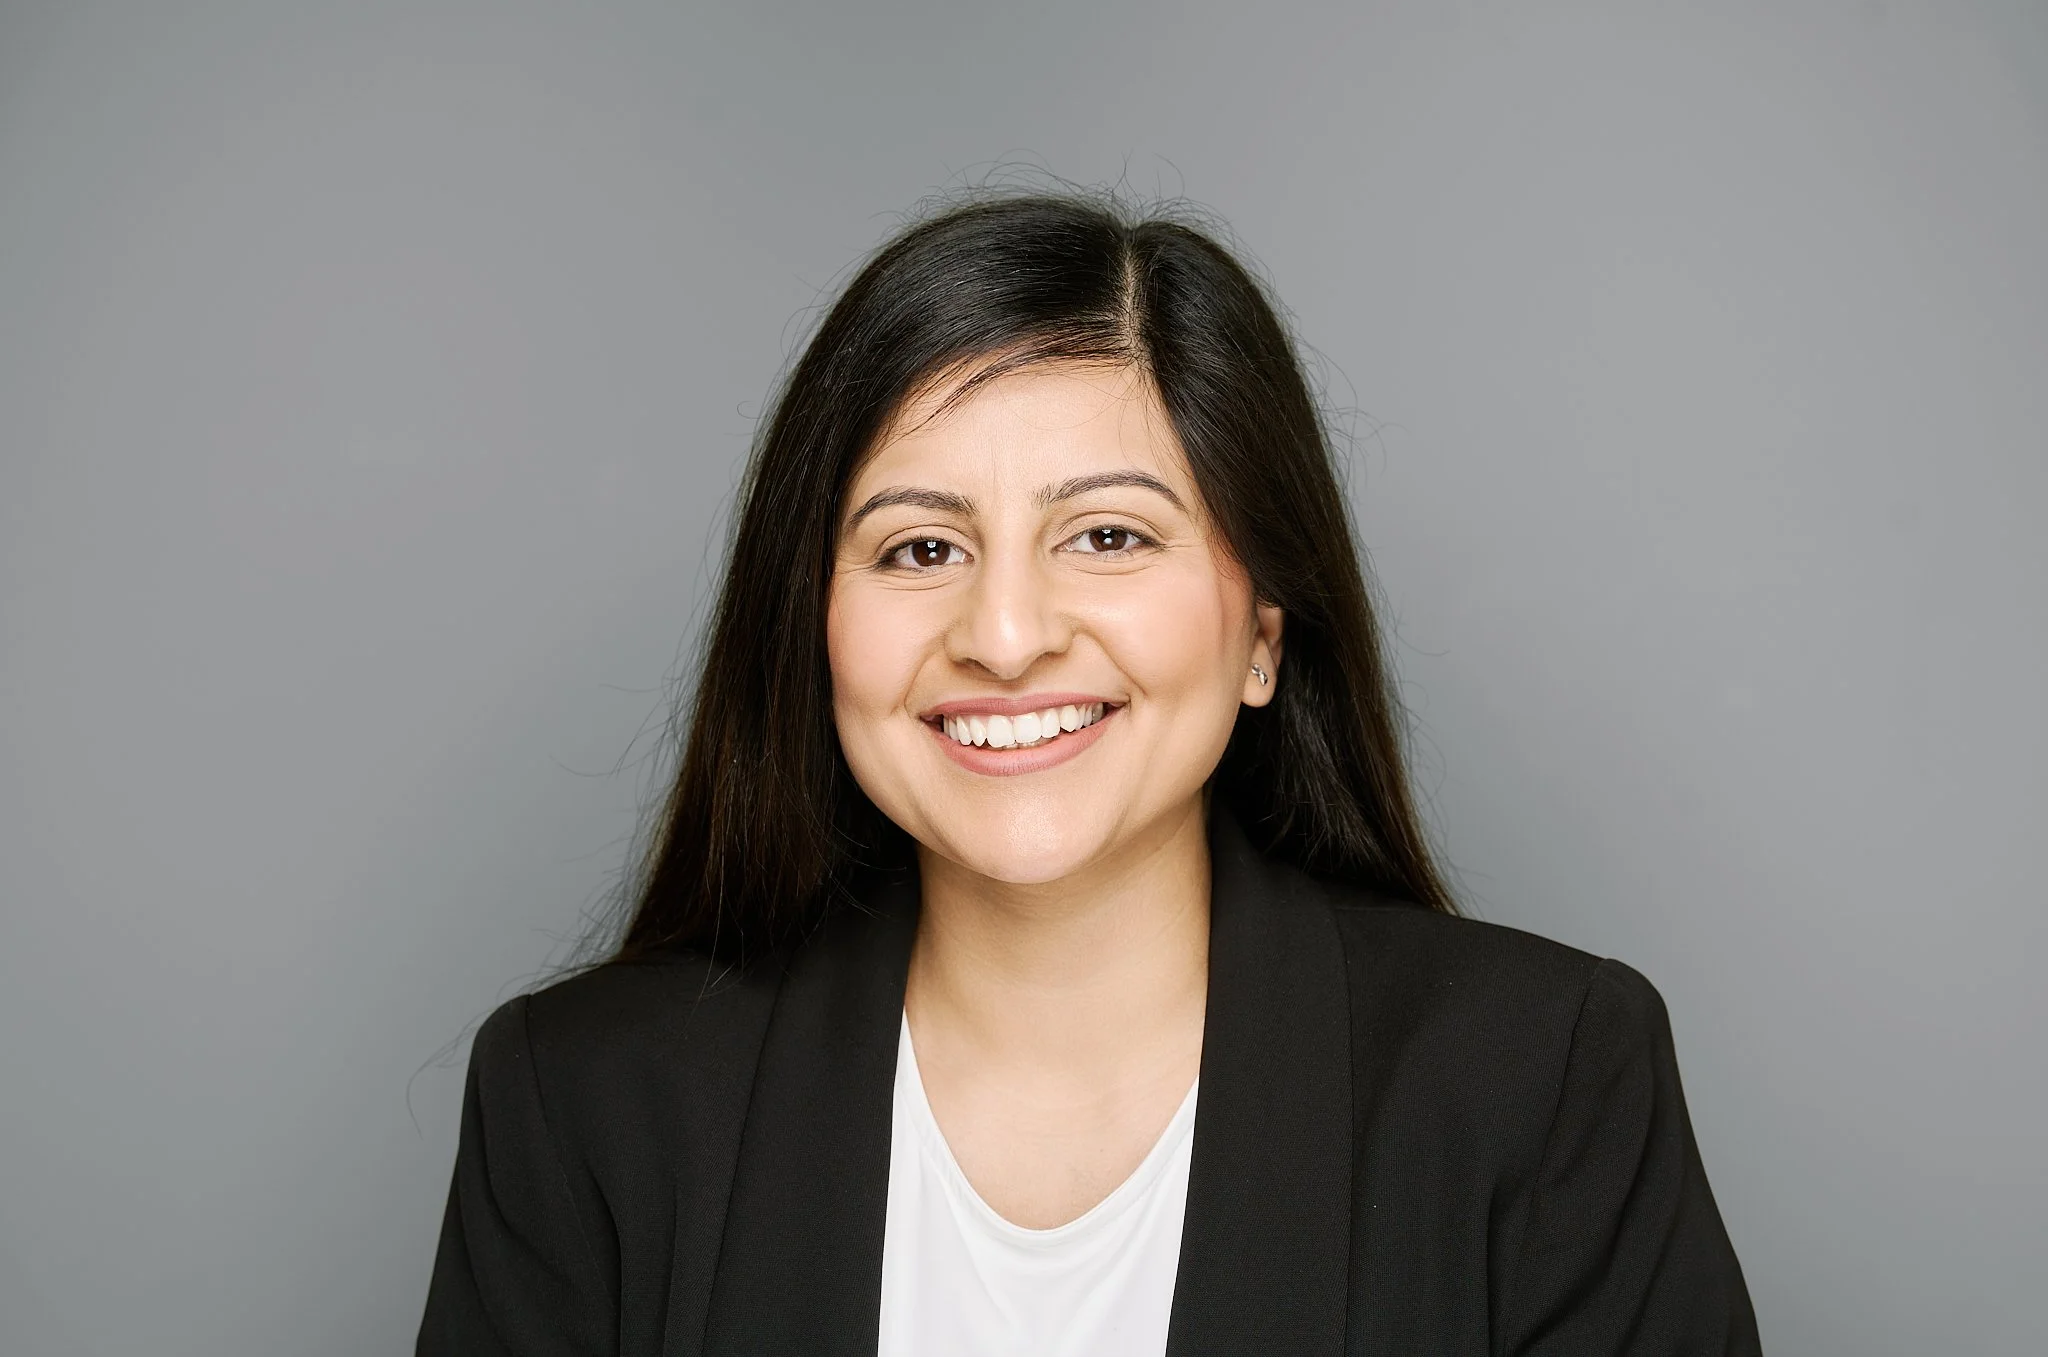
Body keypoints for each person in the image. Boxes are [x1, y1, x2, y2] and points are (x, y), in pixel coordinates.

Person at [415, 190, 1761, 1356]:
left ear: (1262, 639)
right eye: (918, 550)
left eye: (1109, 535)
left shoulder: (1542, 1086)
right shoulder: (586, 1105)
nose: (1005, 637)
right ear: (810, 629)